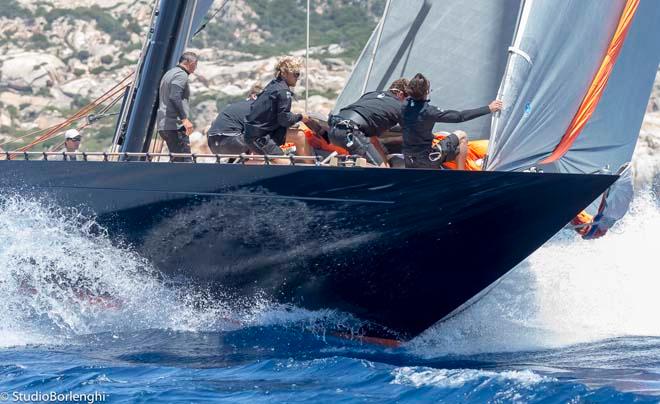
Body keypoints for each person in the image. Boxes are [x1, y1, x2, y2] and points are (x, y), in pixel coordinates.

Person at [401, 73, 502, 169]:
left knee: (445, 137)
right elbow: (459, 116)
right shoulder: (429, 111)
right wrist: (489, 108)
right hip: (427, 160)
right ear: (426, 92)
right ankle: (460, 176)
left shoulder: (404, 106)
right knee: (461, 135)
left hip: (409, 160)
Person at [327, 78, 408, 166]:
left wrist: (385, 163)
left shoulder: (372, 95)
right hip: (350, 131)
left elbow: (372, 141)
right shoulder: (399, 105)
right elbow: (413, 134)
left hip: (334, 128)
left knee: (378, 166)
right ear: (400, 94)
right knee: (379, 171)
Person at [244, 56, 310, 162]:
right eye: (296, 74)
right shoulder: (283, 91)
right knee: (286, 164)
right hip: (260, 137)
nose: (298, 77)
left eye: (299, 74)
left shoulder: (274, 85)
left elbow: (280, 115)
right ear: (284, 73)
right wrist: (301, 117)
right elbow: (285, 120)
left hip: (263, 132)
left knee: (300, 136)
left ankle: (309, 168)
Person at [156, 51, 198, 162]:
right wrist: (184, 119)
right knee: (185, 163)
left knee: (177, 161)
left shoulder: (169, 73)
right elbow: (175, 96)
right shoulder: (181, 75)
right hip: (175, 126)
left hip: (164, 125)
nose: (195, 68)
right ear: (190, 62)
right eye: (195, 64)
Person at [207, 83, 263, 155]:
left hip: (213, 144)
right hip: (230, 143)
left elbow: (213, 123)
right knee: (261, 134)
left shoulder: (233, 106)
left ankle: (239, 161)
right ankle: (255, 163)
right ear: (254, 96)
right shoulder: (254, 107)